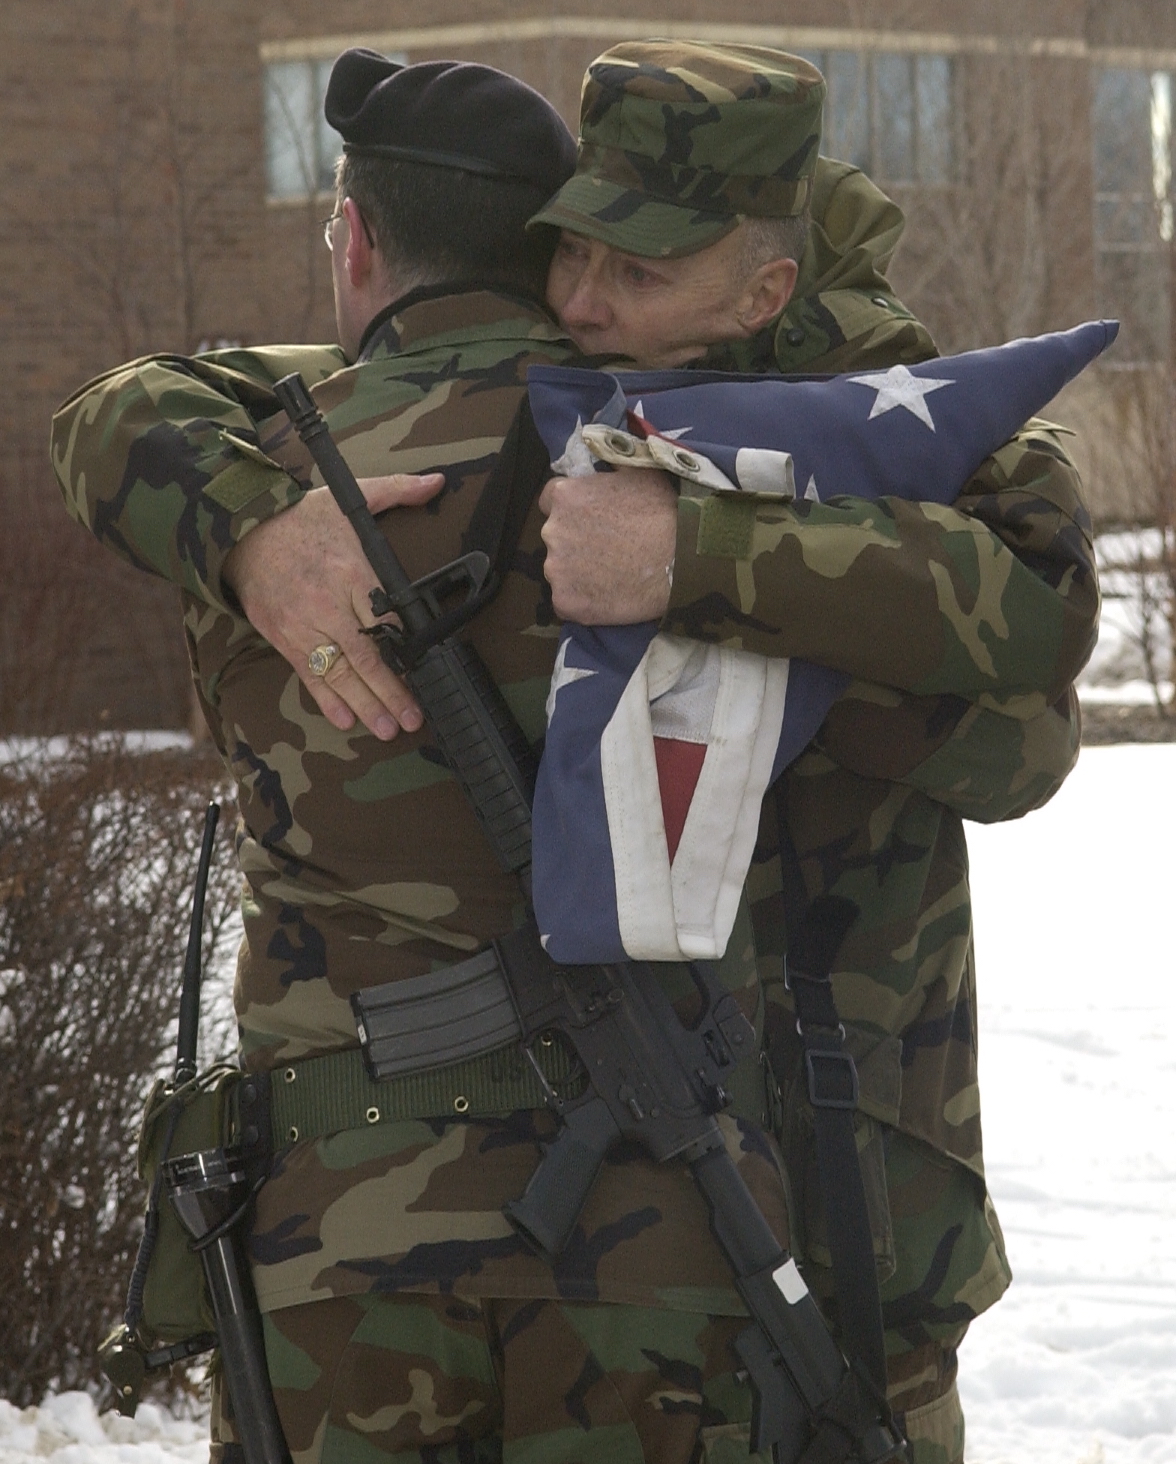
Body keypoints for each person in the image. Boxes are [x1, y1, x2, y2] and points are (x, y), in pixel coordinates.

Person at [49, 42, 1097, 1464]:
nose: (595, 309)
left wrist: (715, 557)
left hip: (656, 1229)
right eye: (578, 262)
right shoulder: (610, 439)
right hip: (690, 1240)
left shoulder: (871, 462)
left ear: (766, 287)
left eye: (644, 273)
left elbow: (1022, 720)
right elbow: (121, 405)